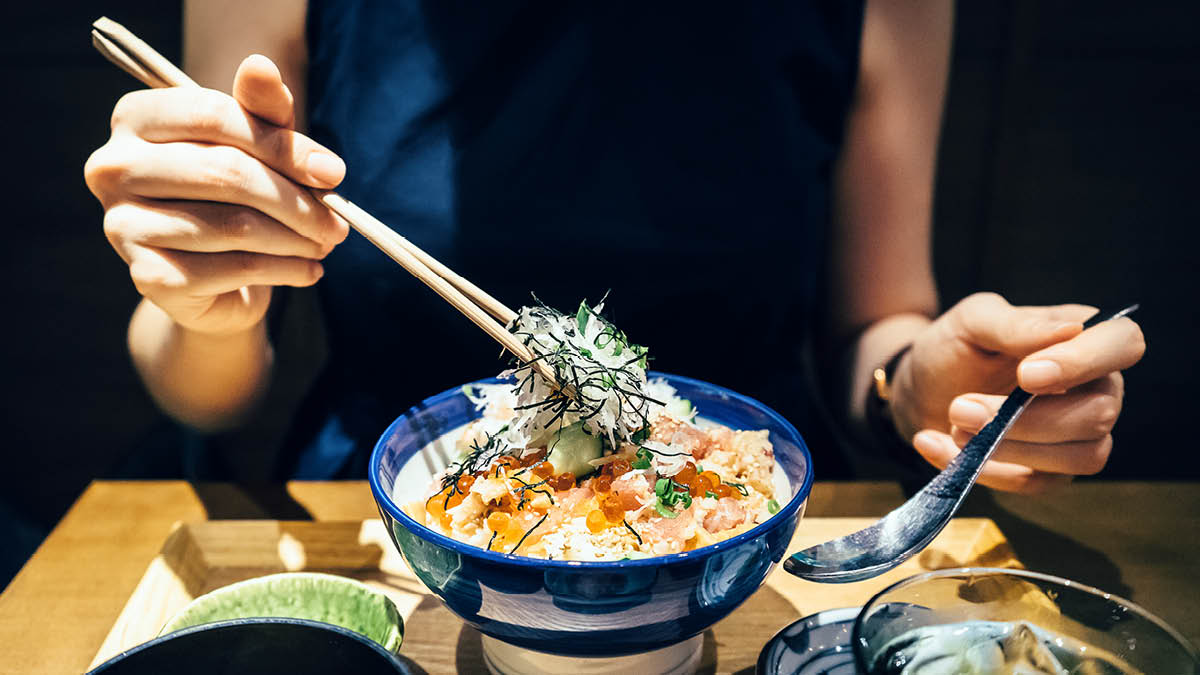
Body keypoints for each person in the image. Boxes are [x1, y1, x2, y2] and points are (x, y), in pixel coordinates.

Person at [84, 0, 1144, 492]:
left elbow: (877, 326)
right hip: (384, 516)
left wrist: (929, 389)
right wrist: (200, 307)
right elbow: (204, 391)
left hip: (742, 525)